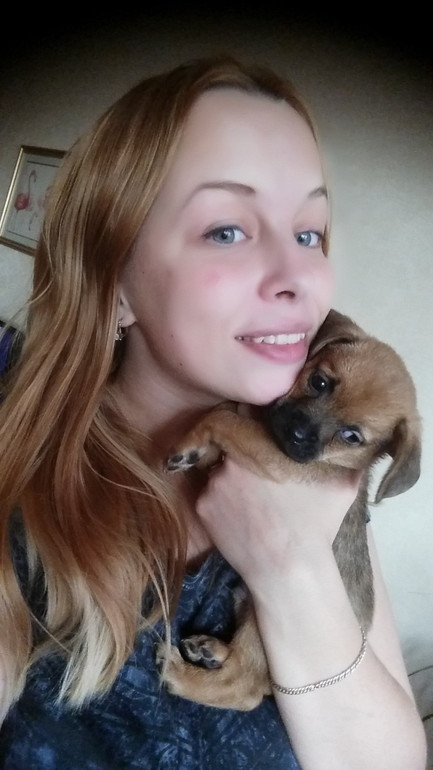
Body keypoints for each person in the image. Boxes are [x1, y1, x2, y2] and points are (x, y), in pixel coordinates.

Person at [0, 55, 426, 770]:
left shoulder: (328, 481)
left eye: (310, 233)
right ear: (115, 284)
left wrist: (289, 566)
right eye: (226, 230)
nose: (299, 278)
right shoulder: (25, 476)